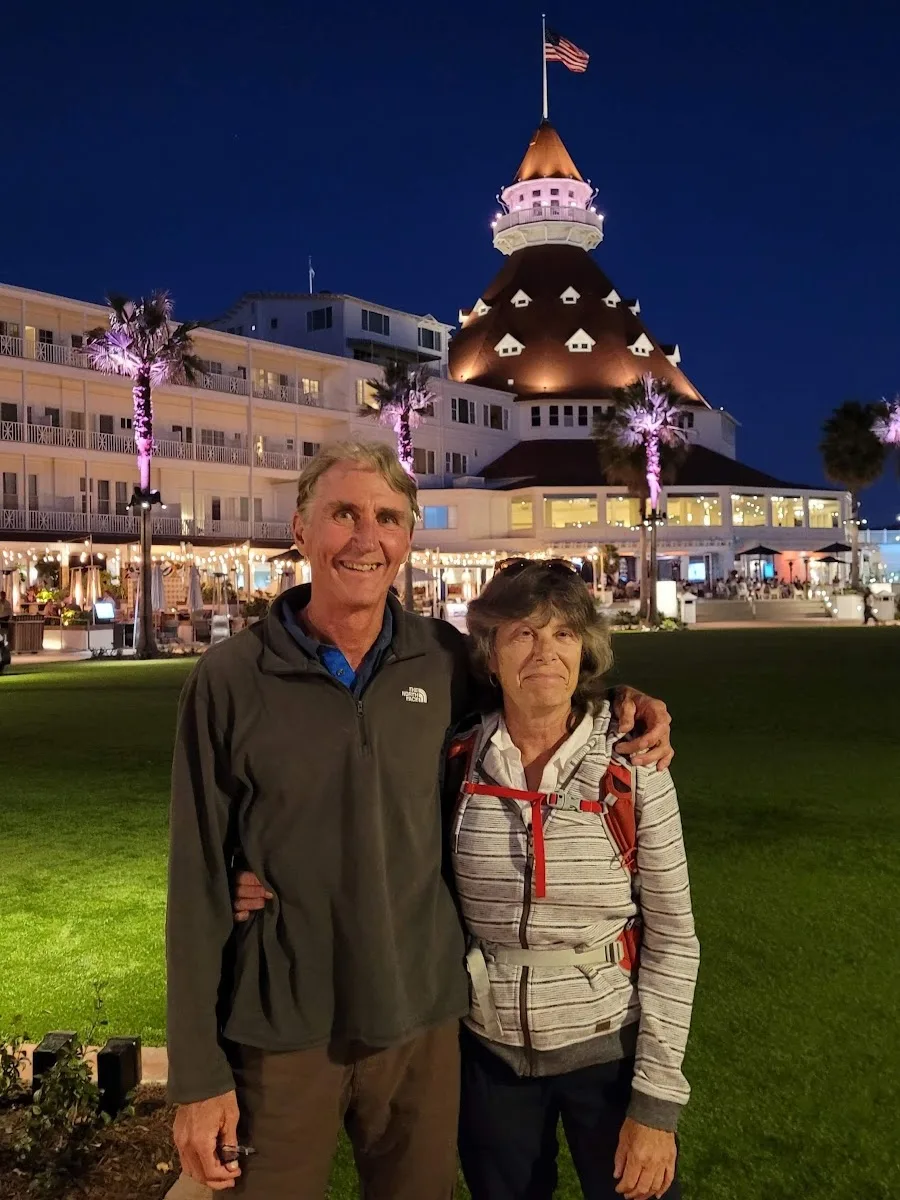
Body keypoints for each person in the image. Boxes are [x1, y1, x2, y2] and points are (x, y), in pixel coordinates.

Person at [168, 440, 675, 1198]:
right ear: (302, 529)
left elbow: (539, 679)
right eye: (344, 514)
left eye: (386, 518)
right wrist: (197, 1076)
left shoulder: (440, 659)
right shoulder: (231, 679)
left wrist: (628, 702)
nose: (365, 537)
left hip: (424, 1020)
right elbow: (197, 878)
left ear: (407, 537)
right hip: (282, 1024)